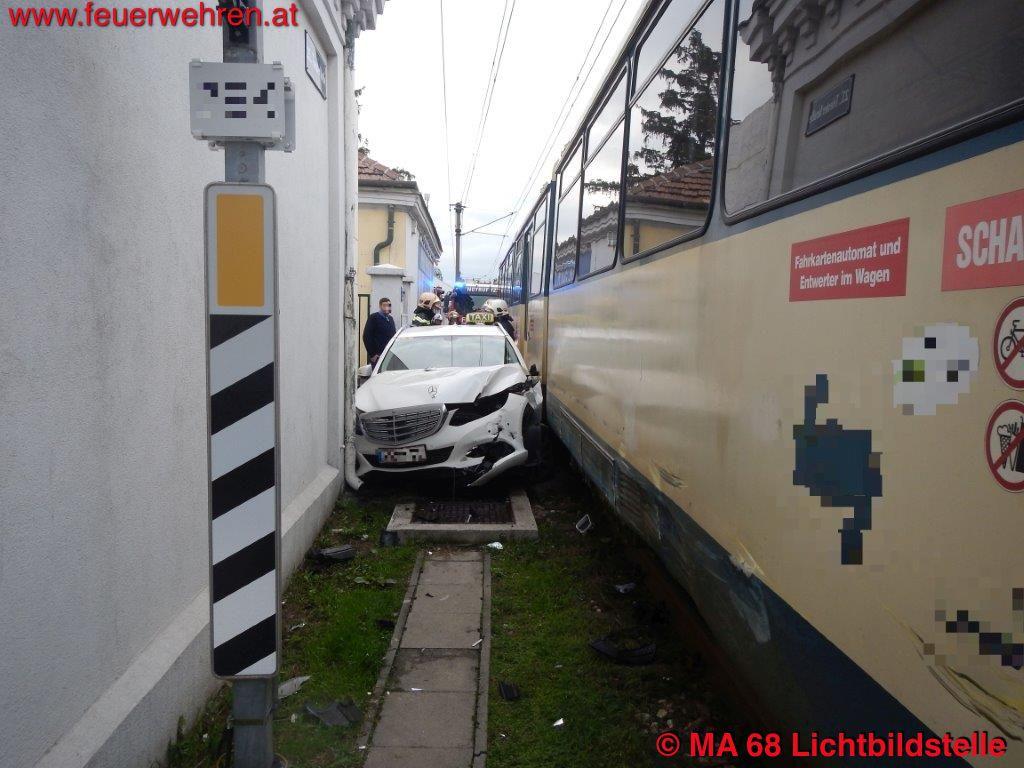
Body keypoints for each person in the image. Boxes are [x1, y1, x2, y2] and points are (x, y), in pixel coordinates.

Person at [362, 297, 396, 365]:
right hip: (377, 356)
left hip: (388, 355)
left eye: (388, 305)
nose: (387, 307)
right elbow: (366, 336)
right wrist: (372, 354)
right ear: (380, 306)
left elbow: (393, 335)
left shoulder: (390, 319)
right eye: (384, 305)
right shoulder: (374, 318)